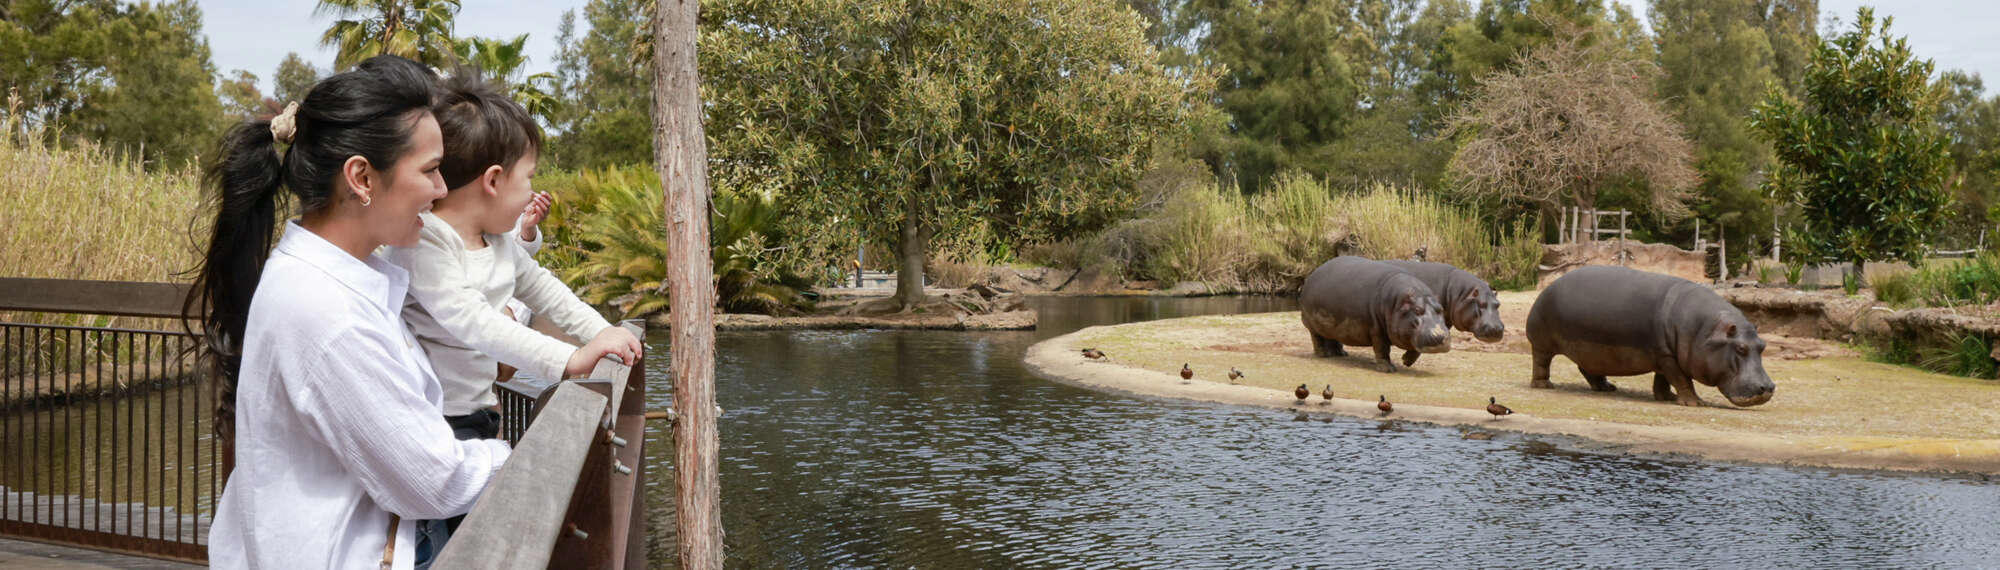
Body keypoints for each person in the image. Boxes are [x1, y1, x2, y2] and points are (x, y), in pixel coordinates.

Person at [187, 55, 509, 569]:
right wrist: (509, 457)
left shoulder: (333, 282)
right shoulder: (327, 311)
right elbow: (433, 481)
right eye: (429, 170)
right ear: (361, 177)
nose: (442, 190)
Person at [386, 69, 641, 444]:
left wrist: (602, 333)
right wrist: (570, 360)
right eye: (529, 178)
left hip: (481, 412)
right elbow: (477, 323)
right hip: (434, 422)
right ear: (492, 181)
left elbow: (547, 292)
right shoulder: (426, 241)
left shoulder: (498, 242)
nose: (531, 192)